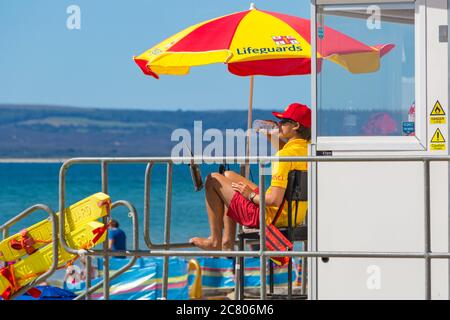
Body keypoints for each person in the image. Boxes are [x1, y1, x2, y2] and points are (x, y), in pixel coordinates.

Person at [189, 102, 311, 251]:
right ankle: (227, 241)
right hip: (294, 215)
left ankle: (215, 241)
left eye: (284, 122)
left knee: (213, 179)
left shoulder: (283, 156)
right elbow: (289, 150)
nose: (279, 124)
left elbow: (274, 200)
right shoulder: (309, 150)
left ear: (296, 126)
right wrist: (269, 133)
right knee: (228, 175)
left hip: (269, 217)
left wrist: (250, 195)